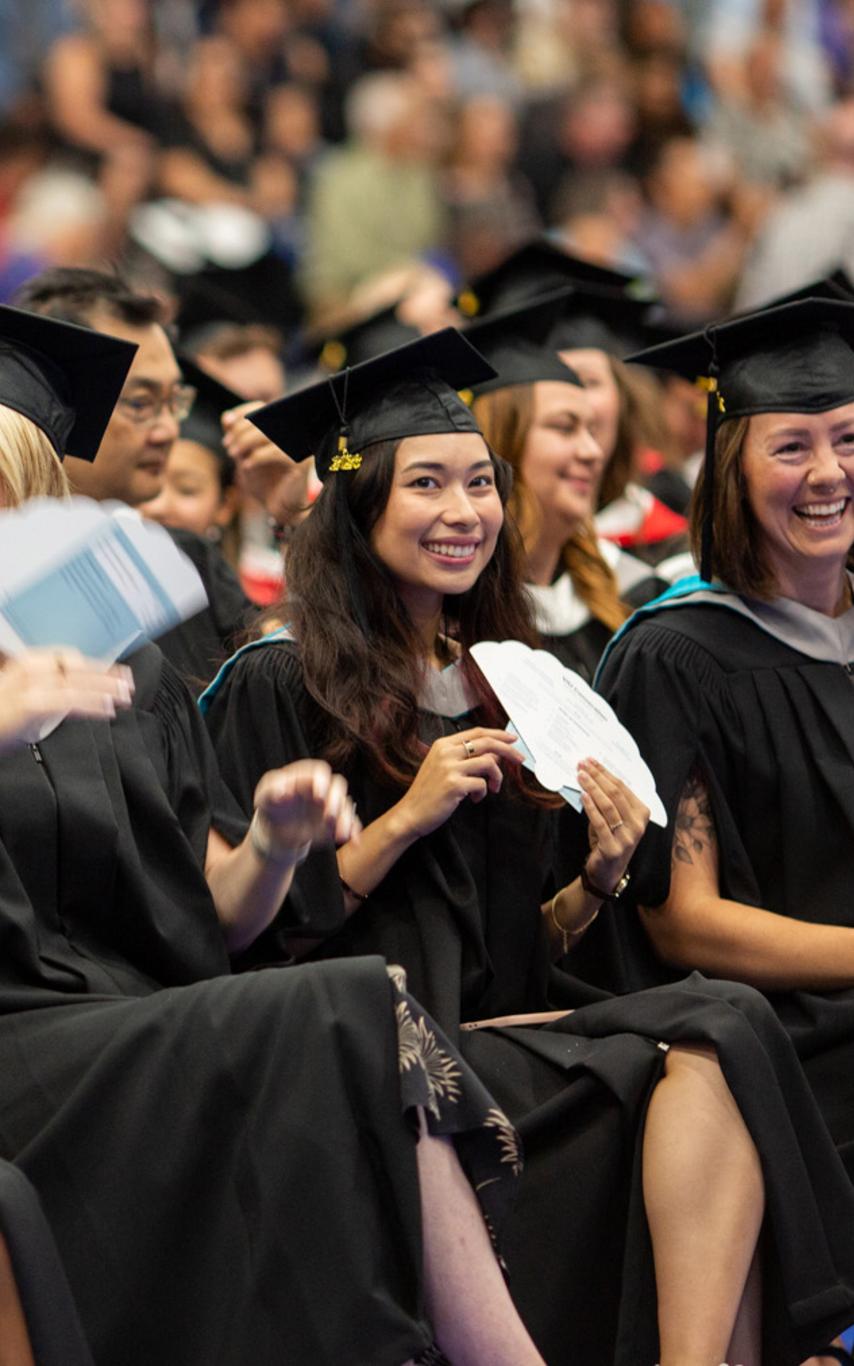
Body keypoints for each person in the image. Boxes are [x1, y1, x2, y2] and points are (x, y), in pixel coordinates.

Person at [202, 327, 854, 1366]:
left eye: (477, 483)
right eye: (426, 484)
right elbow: (243, 935)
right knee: (719, 1016)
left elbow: (530, 938)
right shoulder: (277, 683)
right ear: (355, 500)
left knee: (719, 1033)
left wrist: (593, 885)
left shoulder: (511, 676)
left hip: (496, 1027)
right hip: (363, 1047)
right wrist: (405, 815)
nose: (463, 512)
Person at [0, 302, 545, 1366]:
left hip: (130, 1026)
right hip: (20, 1046)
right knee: (352, 1004)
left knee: (351, 1015)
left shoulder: (120, 667)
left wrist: (276, 842)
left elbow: (216, 908)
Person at [594, 297, 854, 1211]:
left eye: (849, 438)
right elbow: (682, 922)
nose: (828, 473)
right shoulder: (678, 655)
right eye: (791, 447)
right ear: (730, 467)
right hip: (782, 1043)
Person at [12, 267, 254, 690]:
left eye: (173, 400)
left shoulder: (186, 562)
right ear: (54, 398)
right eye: (141, 403)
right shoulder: (14, 580)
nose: (167, 430)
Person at [464, 292, 660, 680]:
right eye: (565, 427)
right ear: (505, 445)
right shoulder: (455, 618)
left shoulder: (633, 595)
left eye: (590, 430)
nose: (592, 452)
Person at [140, 355, 241, 554]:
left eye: (187, 489)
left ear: (225, 506)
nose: (158, 507)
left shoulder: (257, 584)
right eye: (149, 480)